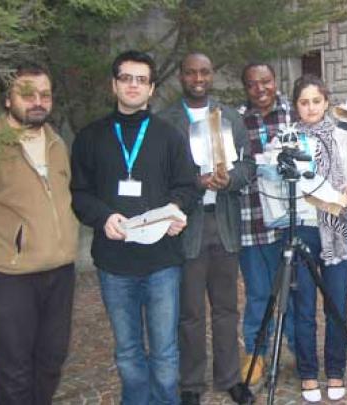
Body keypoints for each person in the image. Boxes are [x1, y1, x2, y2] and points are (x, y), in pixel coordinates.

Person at [70, 50, 198, 405]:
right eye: (126, 78)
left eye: (141, 79)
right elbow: (79, 193)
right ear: (114, 84)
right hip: (114, 264)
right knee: (127, 352)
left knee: (165, 352)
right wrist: (102, 217)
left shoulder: (169, 136)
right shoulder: (90, 137)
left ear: (152, 88)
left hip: (161, 263)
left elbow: (187, 186)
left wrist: (175, 209)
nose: (133, 85)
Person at [158, 53, 255, 405]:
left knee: (227, 308)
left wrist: (230, 179)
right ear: (181, 77)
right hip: (187, 227)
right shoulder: (166, 121)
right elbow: (160, 176)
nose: (198, 78)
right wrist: (194, 182)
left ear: (212, 75)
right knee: (190, 312)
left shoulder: (229, 116)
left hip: (225, 223)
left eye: (204, 72)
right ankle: (191, 385)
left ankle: (230, 378)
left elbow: (248, 167)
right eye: (190, 73)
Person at [0, 63, 78, 405]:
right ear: (8, 99)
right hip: (11, 278)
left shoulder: (57, 143)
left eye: (45, 94)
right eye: (27, 94)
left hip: (60, 272)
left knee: (51, 361)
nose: (38, 101)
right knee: (14, 370)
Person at [285, 74, 347, 402]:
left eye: (316, 100)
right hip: (302, 229)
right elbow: (281, 185)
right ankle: (307, 372)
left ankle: (335, 370)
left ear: (326, 101)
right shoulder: (287, 138)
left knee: (336, 305)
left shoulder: (343, 138)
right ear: (296, 106)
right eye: (304, 102)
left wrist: (339, 199)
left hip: (336, 229)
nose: (311, 107)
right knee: (303, 307)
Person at [236, 62, 296, 383]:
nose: (260, 89)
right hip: (252, 222)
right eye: (252, 84)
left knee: (296, 291)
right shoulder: (235, 120)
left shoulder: (294, 113)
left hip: (292, 221)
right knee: (259, 292)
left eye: (266, 82)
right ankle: (256, 352)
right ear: (244, 88)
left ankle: (300, 350)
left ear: (275, 81)